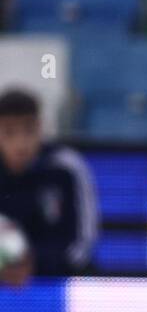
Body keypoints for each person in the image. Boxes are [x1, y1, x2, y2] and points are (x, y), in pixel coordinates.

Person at [0, 88, 99, 287]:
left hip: (61, 286)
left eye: (29, 130)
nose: (20, 144)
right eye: (9, 132)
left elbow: (83, 243)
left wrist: (32, 264)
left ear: (40, 127)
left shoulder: (65, 167)